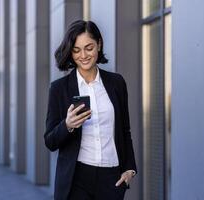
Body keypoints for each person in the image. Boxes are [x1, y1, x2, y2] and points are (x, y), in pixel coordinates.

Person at [44, 20, 137, 200]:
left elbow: (125, 130)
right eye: (76, 50)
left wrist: (130, 168)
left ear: (99, 45)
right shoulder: (59, 88)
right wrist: (68, 125)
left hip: (112, 178)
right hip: (76, 178)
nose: (83, 55)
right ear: (70, 52)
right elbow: (50, 141)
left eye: (89, 47)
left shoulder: (116, 83)